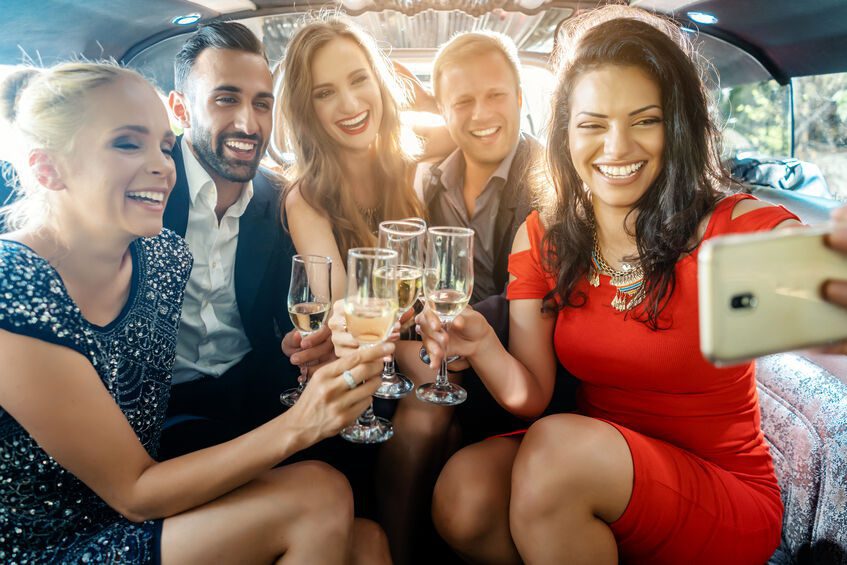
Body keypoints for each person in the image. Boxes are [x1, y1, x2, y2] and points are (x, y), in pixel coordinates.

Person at [417, 7, 802, 564]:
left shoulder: (730, 227)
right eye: (593, 124)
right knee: (463, 493)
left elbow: (817, 278)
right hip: (588, 470)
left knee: (555, 455)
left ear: (679, 127)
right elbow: (530, 395)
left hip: (718, 489)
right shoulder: (543, 236)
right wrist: (479, 344)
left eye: (644, 120)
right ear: (565, 135)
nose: (616, 148)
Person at [0, 62, 390, 563]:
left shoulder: (164, 257)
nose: (163, 166)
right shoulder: (14, 287)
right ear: (46, 168)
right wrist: (303, 422)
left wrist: (300, 353)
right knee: (319, 496)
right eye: (127, 143)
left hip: (144, 497)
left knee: (369, 543)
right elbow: (135, 492)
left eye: (166, 145)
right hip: (56, 544)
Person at [160, 21, 334, 457]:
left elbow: (285, 312)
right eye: (225, 99)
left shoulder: (280, 202)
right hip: (157, 404)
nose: (248, 123)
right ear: (180, 110)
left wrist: (294, 343)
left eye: (262, 104)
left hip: (254, 388)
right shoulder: (148, 187)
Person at [417, 30, 542, 303]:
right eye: (463, 101)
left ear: (519, 99)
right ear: (442, 111)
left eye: (496, 95)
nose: (481, 114)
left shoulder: (550, 186)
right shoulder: (429, 182)